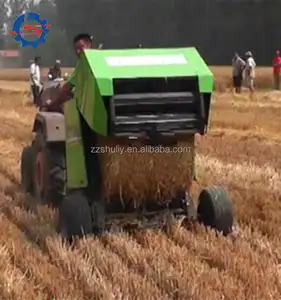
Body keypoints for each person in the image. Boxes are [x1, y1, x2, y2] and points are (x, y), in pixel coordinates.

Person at [45, 33, 94, 109]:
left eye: (80, 48)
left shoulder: (83, 64)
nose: (77, 51)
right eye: (76, 49)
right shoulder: (103, 60)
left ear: (89, 45)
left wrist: (53, 103)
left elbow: (67, 88)